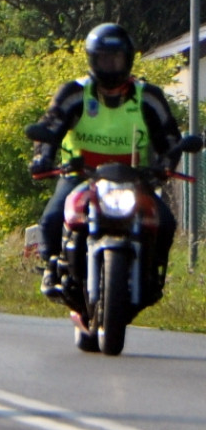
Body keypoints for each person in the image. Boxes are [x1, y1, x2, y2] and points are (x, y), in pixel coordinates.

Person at [28, 23, 182, 299]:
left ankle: (153, 274)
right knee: (51, 218)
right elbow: (50, 128)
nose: (110, 65)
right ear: (91, 59)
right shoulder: (75, 93)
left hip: (133, 178)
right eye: (103, 59)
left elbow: (169, 138)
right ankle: (51, 266)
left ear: (128, 59)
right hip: (80, 175)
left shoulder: (148, 96)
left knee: (166, 221)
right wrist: (42, 158)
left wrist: (165, 165)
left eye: (116, 58)